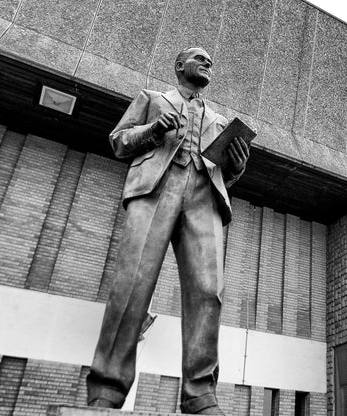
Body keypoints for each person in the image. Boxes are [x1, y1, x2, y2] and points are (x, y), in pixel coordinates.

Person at [86, 47, 249, 415]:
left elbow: (226, 172)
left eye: (211, 61)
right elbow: (118, 141)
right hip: (156, 189)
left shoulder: (219, 120)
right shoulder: (153, 99)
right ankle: (107, 389)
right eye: (199, 58)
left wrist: (236, 168)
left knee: (209, 292)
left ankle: (200, 395)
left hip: (203, 199)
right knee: (132, 285)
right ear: (179, 66)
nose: (207, 63)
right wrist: (153, 130)